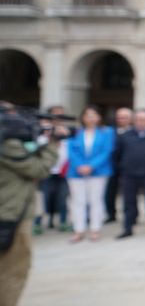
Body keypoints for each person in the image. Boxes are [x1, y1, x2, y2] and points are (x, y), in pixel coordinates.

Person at [0, 105, 61, 306]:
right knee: (12, 271)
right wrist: (52, 143)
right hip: (10, 214)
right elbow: (39, 169)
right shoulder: (7, 144)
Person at [113, 109, 145, 239]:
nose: (141, 122)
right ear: (134, 121)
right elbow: (118, 154)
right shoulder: (125, 135)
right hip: (129, 174)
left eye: (144, 119)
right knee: (128, 202)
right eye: (138, 119)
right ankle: (128, 228)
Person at [66, 106, 115, 242]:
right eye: (88, 115)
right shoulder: (75, 132)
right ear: (83, 118)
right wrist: (80, 165)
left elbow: (107, 150)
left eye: (94, 115)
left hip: (98, 171)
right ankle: (78, 230)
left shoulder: (106, 132)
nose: (91, 118)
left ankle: (95, 229)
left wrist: (92, 165)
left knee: (96, 200)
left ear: (99, 117)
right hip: (77, 172)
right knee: (77, 201)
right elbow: (71, 150)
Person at [35, 106, 70, 234]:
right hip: (46, 170)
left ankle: (63, 222)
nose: (58, 118)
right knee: (44, 198)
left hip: (63, 170)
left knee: (62, 198)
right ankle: (37, 223)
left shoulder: (66, 130)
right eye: (55, 115)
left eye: (61, 115)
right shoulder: (42, 130)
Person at [104, 107, 133, 224]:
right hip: (112, 166)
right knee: (109, 192)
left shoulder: (135, 131)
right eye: (119, 117)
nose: (121, 120)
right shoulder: (110, 132)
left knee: (129, 194)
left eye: (125, 117)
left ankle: (130, 215)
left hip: (129, 167)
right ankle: (111, 214)